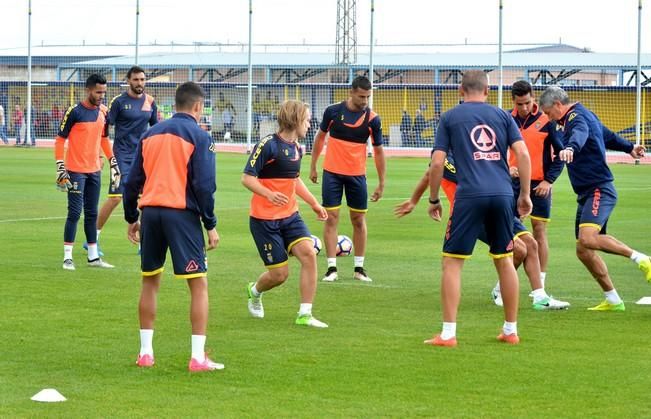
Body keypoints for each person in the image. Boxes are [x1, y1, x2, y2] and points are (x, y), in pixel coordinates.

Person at [425, 70, 533, 347]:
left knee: (452, 262)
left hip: (469, 195)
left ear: (461, 90)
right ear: (487, 91)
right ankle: (511, 330)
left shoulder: (450, 117)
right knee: (504, 260)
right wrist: (523, 195)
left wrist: (434, 199)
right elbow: (522, 154)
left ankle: (448, 334)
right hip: (502, 193)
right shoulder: (503, 116)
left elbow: (437, 163)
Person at [123, 81, 223, 372]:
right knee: (198, 284)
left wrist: (132, 218)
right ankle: (197, 357)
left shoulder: (149, 134)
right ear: (197, 107)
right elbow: (204, 186)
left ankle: (145, 354)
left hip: (151, 214)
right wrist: (211, 224)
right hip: (181, 216)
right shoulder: (200, 136)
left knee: (150, 281)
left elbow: (131, 183)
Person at [394, 156, 570, 310]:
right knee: (519, 250)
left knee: (531, 244)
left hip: (495, 206)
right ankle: (500, 293)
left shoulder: (474, 150)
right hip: (471, 214)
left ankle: (540, 297)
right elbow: (435, 173)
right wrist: (414, 201)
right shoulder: (446, 156)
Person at [539, 86, 651, 311]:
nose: (548, 117)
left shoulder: (576, 117)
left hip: (598, 189)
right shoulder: (585, 114)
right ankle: (613, 299)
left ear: (558, 105)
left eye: (549, 112)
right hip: (586, 193)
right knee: (583, 249)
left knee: (589, 239)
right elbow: (606, 135)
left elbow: (579, 134)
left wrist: (571, 147)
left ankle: (642, 259)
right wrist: (629, 147)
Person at [242, 100, 329, 328]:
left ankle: (305, 314)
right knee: (279, 275)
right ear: (295, 119)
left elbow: (294, 180)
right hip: (264, 221)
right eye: (307, 120)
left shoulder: (299, 148)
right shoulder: (268, 145)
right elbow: (247, 178)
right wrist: (268, 194)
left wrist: (314, 203)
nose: (310, 125)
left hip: (290, 216)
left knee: (309, 254)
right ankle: (255, 290)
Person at [309, 75, 386, 283]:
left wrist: (381, 182)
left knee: (358, 220)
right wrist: (313, 165)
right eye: (362, 96)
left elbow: (378, 152)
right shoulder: (333, 112)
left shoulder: (373, 119)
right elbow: (320, 138)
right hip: (332, 174)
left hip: (357, 176)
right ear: (351, 92)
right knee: (331, 218)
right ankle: (331, 268)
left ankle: (359, 268)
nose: (365, 101)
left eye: (368, 97)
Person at [495, 80, 566, 303]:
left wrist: (549, 180)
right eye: (519, 104)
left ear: (533, 97)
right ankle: (502, 285)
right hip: (512, 186)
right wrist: (508, 168)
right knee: (512, 237)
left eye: (527, 103)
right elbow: (495, 152)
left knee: (539, 232)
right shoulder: (506, 119)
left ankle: (540, 284)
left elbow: (561, 154)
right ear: (513, 101)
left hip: (539, 186)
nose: (524, 108)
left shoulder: (547, 121)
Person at [54, 74, 119, 271]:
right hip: (75, 171)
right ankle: (67, 258)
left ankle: (93, 257)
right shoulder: (74, 111)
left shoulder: (103, 113)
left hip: (94, 171)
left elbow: (103, 139)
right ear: (88, 90)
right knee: (74, 213)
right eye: (98, 92)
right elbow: (59, 140)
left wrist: (112, 162)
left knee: (92, 213)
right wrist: (60, 167)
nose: (101, 96)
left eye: (104, 92)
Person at [92, 66, 158, 256]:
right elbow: (102, 130)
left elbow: (156, 129)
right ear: (128, 80)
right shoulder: (118, 102)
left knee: (146, 199)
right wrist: (99, 154)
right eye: (136, 80)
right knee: (115, 198)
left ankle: (143, 243)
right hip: (121, 156)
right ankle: (92, 238)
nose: (140, 83)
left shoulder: (150, 102)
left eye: (143, 80)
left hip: (144, 157)